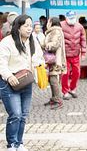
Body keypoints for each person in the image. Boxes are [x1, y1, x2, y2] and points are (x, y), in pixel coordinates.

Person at [0, 15, 45, 151]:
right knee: (15, 114)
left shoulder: (33, 41)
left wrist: (38, 64)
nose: (29, 28)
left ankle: (19, 143)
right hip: (9, 82)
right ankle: (11, 144)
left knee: (24, 115)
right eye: (26, 25)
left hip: (26, 82)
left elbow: (38, 56)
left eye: (30, 25)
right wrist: (8, 76)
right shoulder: (7, 42)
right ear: (18, 27)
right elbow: (1, 62)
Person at [61, 11, 87, 100]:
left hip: (76, 53)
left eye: (73, 18)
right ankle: (65, 91)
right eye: (70, 18)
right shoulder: (61, 26)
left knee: (77, 72)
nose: (71, 19)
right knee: (65, 73)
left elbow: (83, 40)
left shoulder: (80, 27)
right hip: (65, 54)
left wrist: (83, 53)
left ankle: (72, 88)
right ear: (66, 17)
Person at [43, 17, 66, 110]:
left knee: (54, 80)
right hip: (53, 59)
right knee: (52, 79)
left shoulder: (55, 31)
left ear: (51, 22)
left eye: (48, 21)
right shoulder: (53, 31)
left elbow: (55, 44)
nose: (47, 23)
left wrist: (45, 45)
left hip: (56, 60)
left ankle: (58, 100)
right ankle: (54, 98)